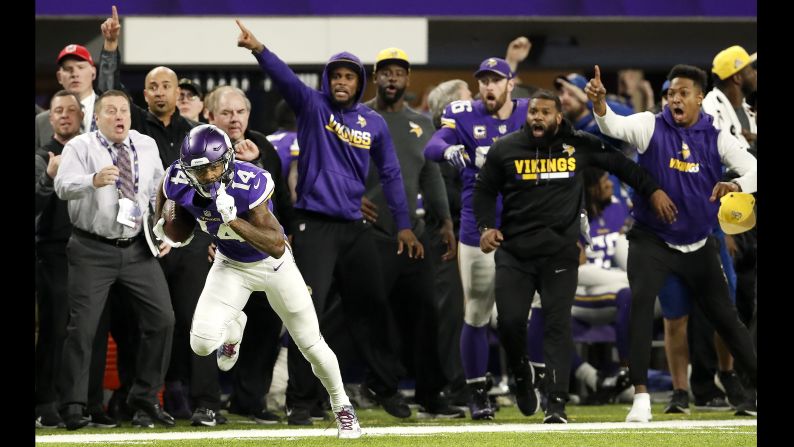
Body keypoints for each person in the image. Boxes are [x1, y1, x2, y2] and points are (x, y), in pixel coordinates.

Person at [235, 20, 421, 423]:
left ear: (359, 84)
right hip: (313, 227)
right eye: (335, 75)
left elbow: (390, 174)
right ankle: (301, 402)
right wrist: (259, 49)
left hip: (355, 228)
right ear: (327, 80)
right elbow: (284, 78)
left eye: (348, 77)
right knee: (307, 314)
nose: (341, 82)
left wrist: (403, 224)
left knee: (372, 307)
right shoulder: (312, 106)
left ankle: (384, 386)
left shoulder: (374, 124)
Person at [473, 89, 674, 424]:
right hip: (514, 253)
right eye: (533, 112)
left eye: (545, 112)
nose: (537, 117)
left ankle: (556, 403)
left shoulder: (579, 144)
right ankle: (522, 374)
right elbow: (483, 190)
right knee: (508, 324)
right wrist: (485, 227)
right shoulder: (505, 148)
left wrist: (652, 189)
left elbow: (621, 164)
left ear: (558, 117)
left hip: (560, 254)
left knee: (556, 324)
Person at [156, 124, 361, 439]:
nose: (210, 175)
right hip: (230, 264)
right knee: (201, 344)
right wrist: (161, 219)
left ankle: (343, 407)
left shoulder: (251, 181)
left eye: (215, 166)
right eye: (201, 170)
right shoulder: (177, 178)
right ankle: (234, 328)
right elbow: (166, 190)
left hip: (273, 266)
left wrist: (233, 220)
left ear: (227, 160)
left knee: (311, 344)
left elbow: (276, 244)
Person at [585, 63, 758, 422]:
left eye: (682, 93)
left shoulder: (717, 135)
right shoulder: (651, 124)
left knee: (728, 320)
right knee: (641, 305)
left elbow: (753, 168)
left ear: (699, 99)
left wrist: (738, 185)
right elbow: (614, 126)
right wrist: (601, 106)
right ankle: (642, 399)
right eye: (670, 93)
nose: (674, 99)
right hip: (653, 240)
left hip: (698, 243)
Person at [97, 6, 220, 426]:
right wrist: (110, 47)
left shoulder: (196, 134)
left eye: (167, 85)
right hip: (144, 243)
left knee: (198, 321)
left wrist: (215, 238)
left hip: (191, 241)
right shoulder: (132, 129)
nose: (161, 91)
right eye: (152, 86)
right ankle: (138, 398)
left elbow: (216, 187)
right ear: (144, 94)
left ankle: (202, 400)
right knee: (138, 323)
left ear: (177, 92)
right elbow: (107, 96)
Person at [53, 89, 176, 430]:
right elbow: (63, 186)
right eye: (111, 110)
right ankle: (74, 405)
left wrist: (164, 230)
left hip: (138, 247)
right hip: (92, 248)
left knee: (163, 319)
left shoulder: (146, 145)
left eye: (124, 110)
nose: (120, 116)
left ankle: (145, 397)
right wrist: (91, 180)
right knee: (83, 328)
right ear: (97, 117)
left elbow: (160, 192)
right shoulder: (80, 146)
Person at [424, 57, 530, 420]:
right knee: (477, 312)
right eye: (483, 80)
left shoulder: (531, 112)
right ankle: (476, 391)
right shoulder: (463, 114)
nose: (488, 86)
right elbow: (433, 144)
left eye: (495, 80)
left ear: (510, 84)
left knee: (530, 312)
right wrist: (447, 148)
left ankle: (536, 383)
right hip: (478, 229)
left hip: (526, 226)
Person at [361, 47, 462, 418]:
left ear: (407, 79)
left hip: (413, 234)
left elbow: (430, 173)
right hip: (370, 231)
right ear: (375, 77)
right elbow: (338, 165)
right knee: (375, 315)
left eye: (399, 73)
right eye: (385, 72)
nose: (392, 78)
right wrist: (351, 198)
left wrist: (446, 221)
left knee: (426, 312)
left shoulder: (422, 123)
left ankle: (430, 393)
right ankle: (382, 388)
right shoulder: (358, 117)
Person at [36, 44, 99, 149]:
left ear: (93, 72)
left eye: (80, 67)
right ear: (59, 77)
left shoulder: (111, 111)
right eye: (67, 69)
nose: (74, 74)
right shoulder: (41, 122)